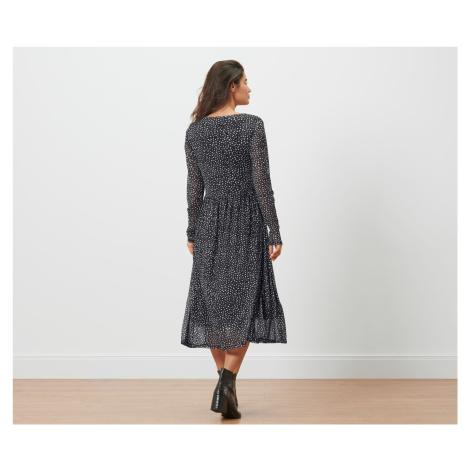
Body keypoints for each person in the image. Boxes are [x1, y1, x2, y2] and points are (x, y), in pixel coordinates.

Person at [181, 60, 287, 419]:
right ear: (231, 86)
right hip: (246, 221)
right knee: (244, 303)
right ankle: (226, 383)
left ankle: (225, 388)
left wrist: (192, 231)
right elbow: (262, 183)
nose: (249, 88)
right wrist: (274, 229)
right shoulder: (251, 125)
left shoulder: (195, 131)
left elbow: (194, 188)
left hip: (209, 223)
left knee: (215, 308)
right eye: (245, 81)